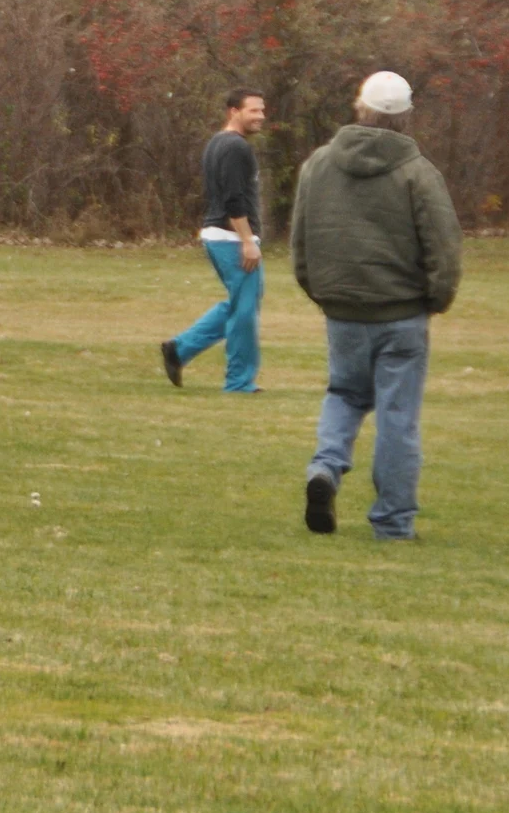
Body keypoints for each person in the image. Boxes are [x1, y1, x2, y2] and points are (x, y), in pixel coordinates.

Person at [292, 70, 462, 540]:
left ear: (359, 106)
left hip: (342, 310)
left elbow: (301, 242)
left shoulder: (317, 165)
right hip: (402, 313)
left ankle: (325, 468)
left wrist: (322, 292)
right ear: (406, 116)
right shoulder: (418, 173)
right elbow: (443, 248)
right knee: (397, 417)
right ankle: (392, 521)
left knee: (344, 394)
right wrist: (437, 298)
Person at [159, 86, 268, 394]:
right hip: (231, 238)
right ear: (234, 111)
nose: (261, 116)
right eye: (253, 110)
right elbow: (233, 198)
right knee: (244, 312)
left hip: (222, 236)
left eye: (262, 110)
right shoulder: (235, 147)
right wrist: (247, 240)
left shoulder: (218, 142)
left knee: (241, 303)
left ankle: (179, 349)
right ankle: (239, 382)